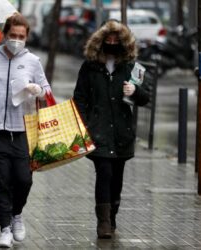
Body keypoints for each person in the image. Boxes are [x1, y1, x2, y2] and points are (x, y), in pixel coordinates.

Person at [0, 13, 51, 248]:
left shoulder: (33, 61)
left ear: (26, 37)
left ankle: (17, 214)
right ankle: (5, 228)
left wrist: (37, 90)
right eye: (13, 35)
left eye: (21, 36)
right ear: (5, 35)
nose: (17, 40)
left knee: (24, 180)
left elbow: (46, 91)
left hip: (22, 131)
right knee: (1, 181)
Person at [73, 20, 150, 239]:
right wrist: (87, 124)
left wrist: (134, 90)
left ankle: (113, 214)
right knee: (104, 173)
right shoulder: (90, 66)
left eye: (117, 40)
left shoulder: (130, 67)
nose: (113, 43)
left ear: (124, 43)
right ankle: (103, 222)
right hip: (98, 132)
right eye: (109, 40)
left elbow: (146, 98)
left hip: (122, 132)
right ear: (101, 41)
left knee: (117, 178)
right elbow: (80, 97)